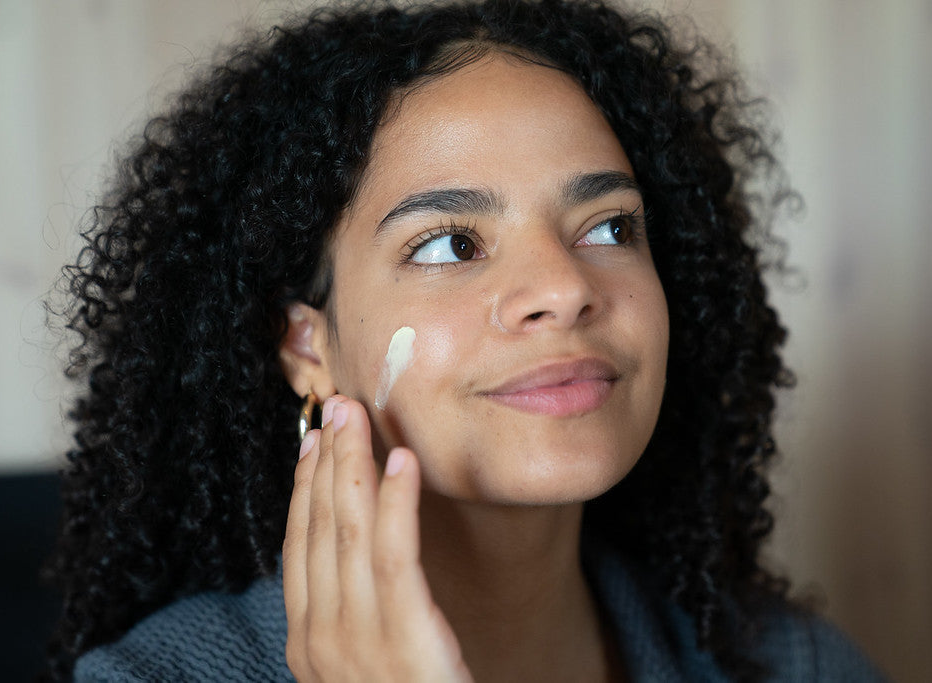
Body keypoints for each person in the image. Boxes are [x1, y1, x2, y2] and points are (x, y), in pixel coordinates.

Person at [45, 0, 887, 680]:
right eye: (451, 242)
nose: (564, 288)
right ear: (308, 345)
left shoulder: (793, 664)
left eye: (608, 226)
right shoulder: (156, 677)